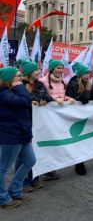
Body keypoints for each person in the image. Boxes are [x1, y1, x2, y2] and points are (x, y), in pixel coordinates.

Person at [0, 67, 36, 209]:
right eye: (18, 76)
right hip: (11, 135)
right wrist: (20, 87)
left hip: (22, 133)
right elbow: (24, 102)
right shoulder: (3, 94)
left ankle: (14, 190)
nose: (21, 78)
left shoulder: (10, 91)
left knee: (30, 160)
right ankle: (3, 198)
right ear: (9, 79)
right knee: (3, 168)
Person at [40, 59, 76, 180]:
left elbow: (62, 95)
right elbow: (43, 96)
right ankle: (45, 170)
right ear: (52, 69)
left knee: (56, 142)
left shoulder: (63, 81)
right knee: (47, 143)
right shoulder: (43, 81)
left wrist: (68, 98)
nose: (61, 70)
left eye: (62, 68)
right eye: (58, 68)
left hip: (58, 117)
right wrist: (55, 99)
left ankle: (52, 168)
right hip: (46, 117)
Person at [20, 60, 52, 192]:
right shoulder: (20, 85)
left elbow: (47, 96)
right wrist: (32, 100)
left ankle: (34, 178)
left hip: (37, 123)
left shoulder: (39, 84)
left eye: (39, 70)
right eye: (36, 70)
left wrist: (45, 100)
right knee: (24, 156)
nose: (39, 71)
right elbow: (22, 100)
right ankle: (24, 182)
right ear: (29, 73)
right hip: (24, 122)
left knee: (35, 153)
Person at [65, 63, 93, 175]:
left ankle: (81, 160)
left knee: (84, 140)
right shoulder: (72, 84)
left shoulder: (90, 84)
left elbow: (92, 98)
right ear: (80, 74)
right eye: (86, 73)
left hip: (86, 115)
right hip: (75, 116)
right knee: (77, 139)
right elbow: (68, 98)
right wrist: (78, 98)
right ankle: (79, 163)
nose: (88, 75)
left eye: (88, 73)